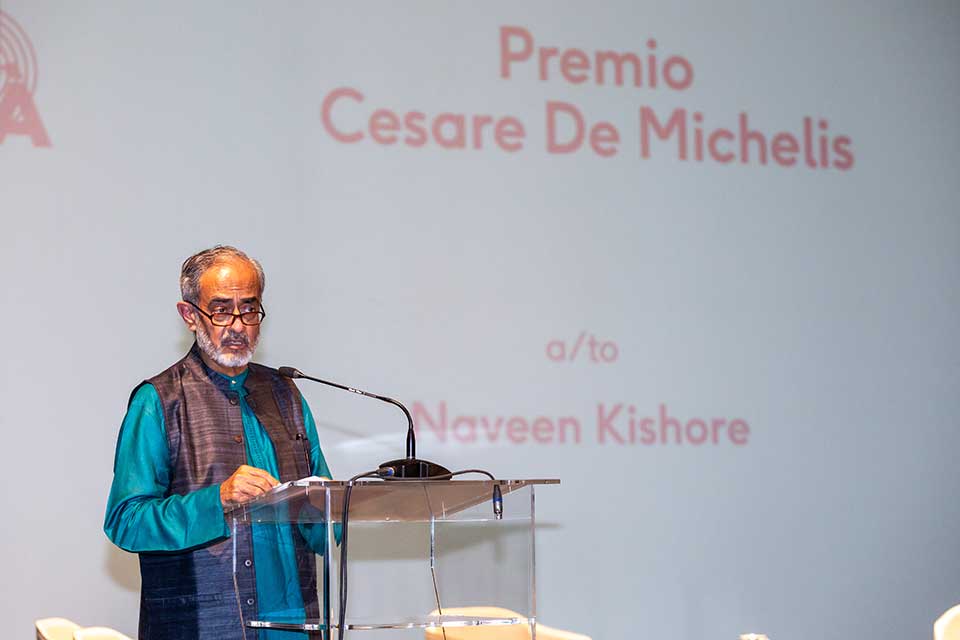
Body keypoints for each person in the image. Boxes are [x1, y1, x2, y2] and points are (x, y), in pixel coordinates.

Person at [105, 246, 331, 640]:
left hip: (294, 622)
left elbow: (324, 511)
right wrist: (217, 500)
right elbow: (126, 521)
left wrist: (344, 506)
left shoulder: (286, 394)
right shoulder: (159, 400)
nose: (238, 325)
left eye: (249, 309)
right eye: (222, 310)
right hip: (205, 625)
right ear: (190, 315)